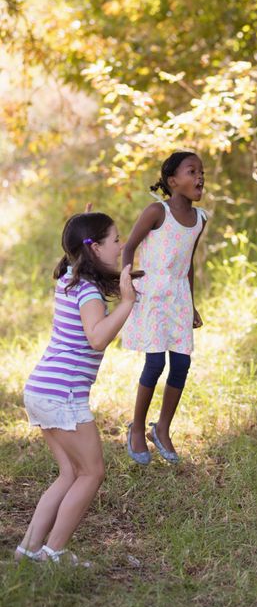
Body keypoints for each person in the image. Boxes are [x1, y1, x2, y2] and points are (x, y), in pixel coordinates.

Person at [16, 212, 137, 565]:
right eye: (115, 240)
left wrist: (82, 227)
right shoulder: (87, 292)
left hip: (42, 389)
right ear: (94, 247)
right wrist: (127, 302)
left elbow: (79, 251)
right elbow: (96, 337)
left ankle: (29, 551)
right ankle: (54, 553)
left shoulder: (70, 277)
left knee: (70, 473)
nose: (122, 245)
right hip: (63, 395)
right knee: (92, 473)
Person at [122, 151, 207, 465]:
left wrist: (194, 304)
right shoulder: (157, 211)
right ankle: (137, 428)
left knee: (182, 365)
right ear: (173, 181)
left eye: (201, 172)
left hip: (179, 297)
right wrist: (126, 280)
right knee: (155, 363)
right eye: (192, 171)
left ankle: (163, 428)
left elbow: (189, 265)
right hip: (153, 294)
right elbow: (129, 246)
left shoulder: (200, 219)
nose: (200, 177)